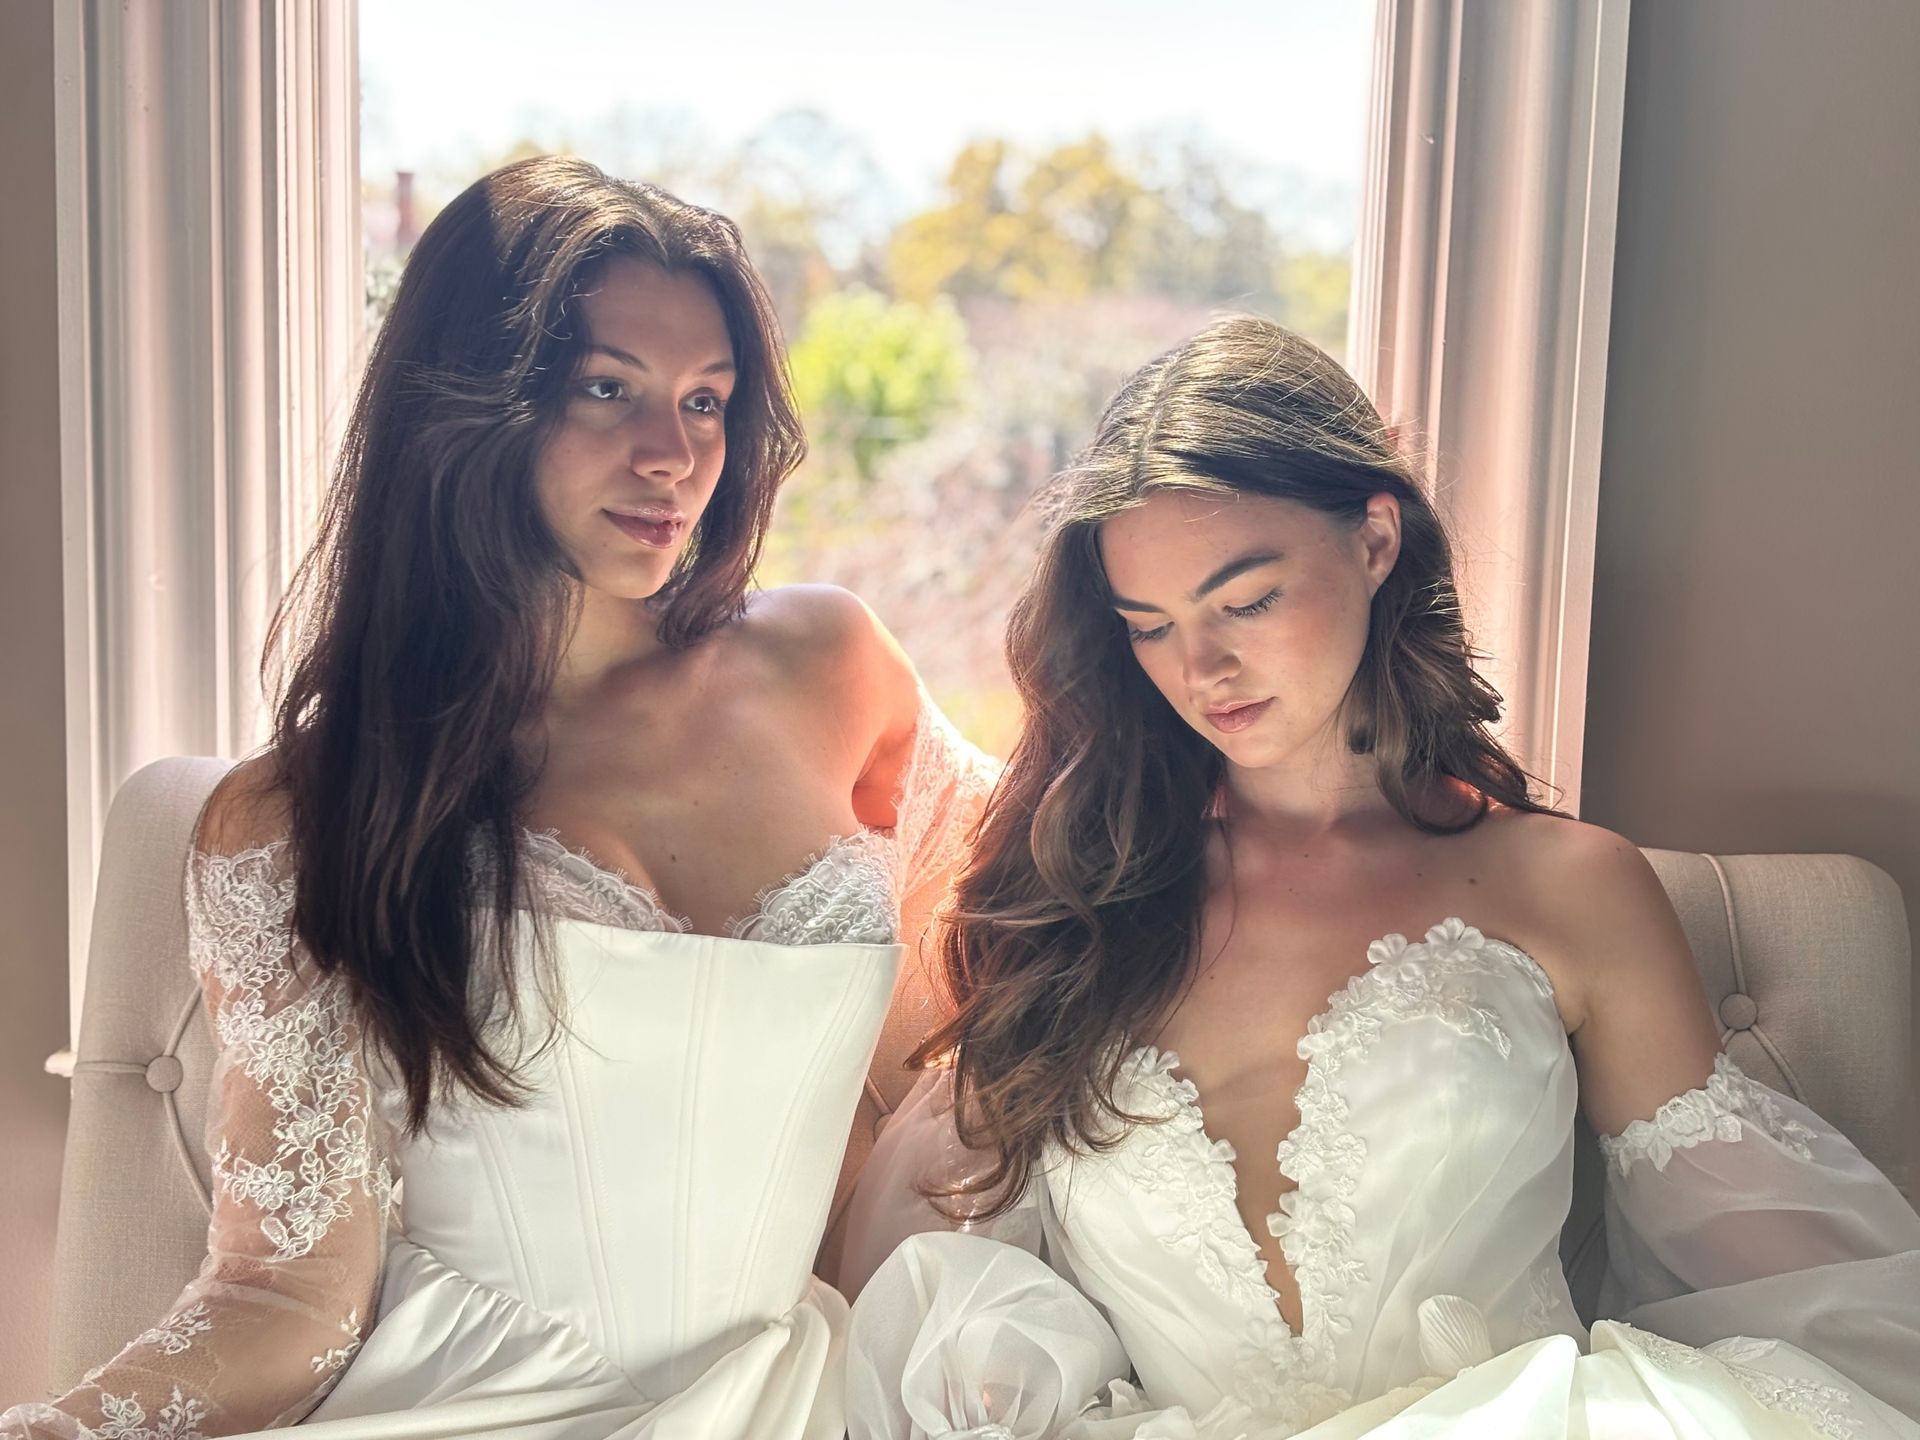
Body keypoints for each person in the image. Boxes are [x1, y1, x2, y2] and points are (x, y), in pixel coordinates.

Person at [2, 155, 993, 1440]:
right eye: (607, 389)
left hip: (801, 1396)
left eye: (706, 402)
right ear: (472, 406)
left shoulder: (833, 668)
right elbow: (286, 1291)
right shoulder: (306, 818)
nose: (671, 455)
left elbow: (988, 1003)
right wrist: (64, 1426)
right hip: (472, 1406)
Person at [837, 315, 1920, 1439]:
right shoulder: (1078, 903)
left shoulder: (1567, 887)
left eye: (1246, 601)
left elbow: (1772, 1261)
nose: (1202, 670)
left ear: (1374, 540)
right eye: (1151, 627)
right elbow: (948, 1279)